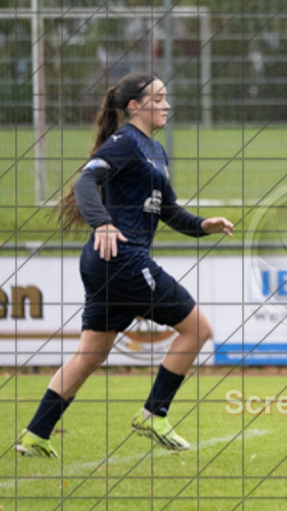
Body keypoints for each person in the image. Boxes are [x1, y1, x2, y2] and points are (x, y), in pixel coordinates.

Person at [14, 73, 234, 458]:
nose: (167, 104)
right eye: (158, 98)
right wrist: (102, 223)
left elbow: (168, 211)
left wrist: (203, 225)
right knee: (198, 329)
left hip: (106, 263)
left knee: (91, 354)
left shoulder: (156, 151)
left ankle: (36, 435)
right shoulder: (125, 142)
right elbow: (85, 182)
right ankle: (153, 414)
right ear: (135, 106)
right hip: (123, 259)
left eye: (167, 97)